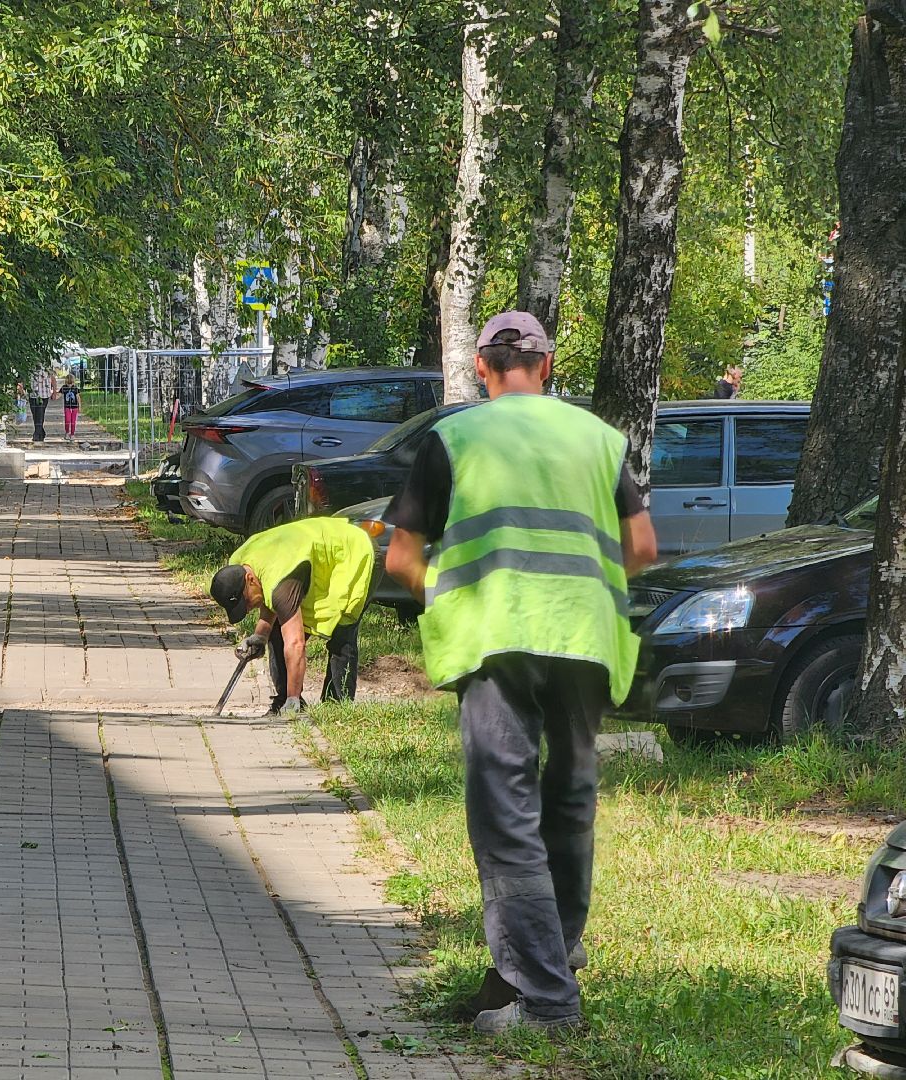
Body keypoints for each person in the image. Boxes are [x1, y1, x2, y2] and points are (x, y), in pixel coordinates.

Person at [382, 310, 656, 1034]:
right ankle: (543, 965)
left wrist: (448, 594)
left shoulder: (455, 437)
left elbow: (401, 559)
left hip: (496, 639)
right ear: (548, 364)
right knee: (569, 802)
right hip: (585, 639)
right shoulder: (599, 439)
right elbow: (643, 546)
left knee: (507, 816)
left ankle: (545, 1001)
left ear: (481, 367)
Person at [209, 517, 377, 714]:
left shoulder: (280, 583)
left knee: (342, 632)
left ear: (250, 579)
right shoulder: (241, 563)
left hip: (355, 550)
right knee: (276, 633)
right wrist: (261, 636)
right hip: (320, 555)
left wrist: (293, 697)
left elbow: (296, 644)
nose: (247, 609)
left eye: (245, 602)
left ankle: (336, 707)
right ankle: (284, 701)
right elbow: (269, 595)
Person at [17, 364, 58, 442]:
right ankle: (41, 432)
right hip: (32, 395)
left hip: (44, 395)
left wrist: (54, 393)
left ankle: (37, 434)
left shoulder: (47, 368)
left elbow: (53, 380)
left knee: (40, 413)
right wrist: (21, 390)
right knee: (35, 414)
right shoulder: (29, 368)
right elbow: (23, 380)